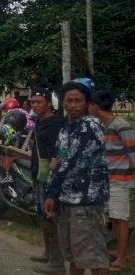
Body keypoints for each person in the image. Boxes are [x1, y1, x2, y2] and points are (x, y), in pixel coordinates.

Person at [44, 81, 109, 275]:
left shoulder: (90, 127)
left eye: (78, 101)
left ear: (87, 103)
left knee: (94, 256)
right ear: (62, 103)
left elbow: (68, 162)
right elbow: (59, 159)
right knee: (72, 256)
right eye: (69, 100)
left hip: (87, 200)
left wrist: (55, 172)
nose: (73, 105)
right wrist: (52, 194)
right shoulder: (66, 129)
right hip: (67, 200)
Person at [90, 90, 135, 272]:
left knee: (120, 218)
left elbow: (133, 152)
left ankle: (122, 258)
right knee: (114, 218)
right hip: (108, 180)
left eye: (90, 104)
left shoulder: (120, 125)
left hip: (120, 180)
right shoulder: (103, 126)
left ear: (96, 106)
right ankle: (119, 251)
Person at [28, 88, 65, 275]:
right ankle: (48, 253)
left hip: (51, 175)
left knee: (52, 217)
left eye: (39, 102)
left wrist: (57, 161)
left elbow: (63, 148)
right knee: (43, 215)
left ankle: (57, 262)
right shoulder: (37, 121)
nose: (35, 105)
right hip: (38, 173)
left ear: (49, 103)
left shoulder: (57, 122)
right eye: (33, 102)